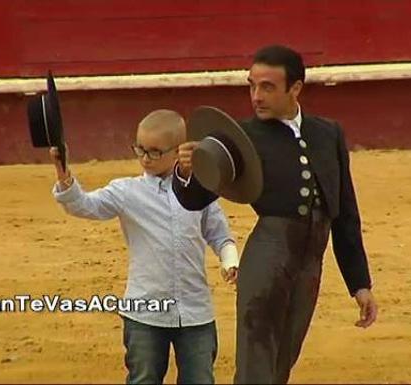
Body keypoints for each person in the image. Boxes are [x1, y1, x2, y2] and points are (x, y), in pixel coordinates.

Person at [172, 45, 379, 384]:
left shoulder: (328, 133)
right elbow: (196, 199)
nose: (256, 96)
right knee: (257, 362)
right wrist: (187, 173)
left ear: (295, 88)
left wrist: (359, 283)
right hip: (268, 257)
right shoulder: (241, 138)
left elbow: (344, 213)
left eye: (267, 87)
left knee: (283, 361)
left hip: (311, 262)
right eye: (252, 85)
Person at [50, 109, 239, 384]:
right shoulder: (127, 191)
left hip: (195, 310)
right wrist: (63, 174)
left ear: (178, 152)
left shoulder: (201, 192)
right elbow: (84, 205)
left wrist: (229, 260)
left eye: (154, 152)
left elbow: (221, 235)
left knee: (200, 380)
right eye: (140, 149)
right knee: (143, 379)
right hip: (145, 311)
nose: (144, 158)